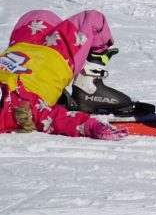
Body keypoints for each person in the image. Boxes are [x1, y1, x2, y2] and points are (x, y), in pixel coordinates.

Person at [0, 10, 128, 140]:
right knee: (92, 19)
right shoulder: (20, 109)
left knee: (37, 15)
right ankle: (92, 72)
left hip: (23, 45)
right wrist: (91, 126)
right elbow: (58, 120)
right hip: (59, 54)